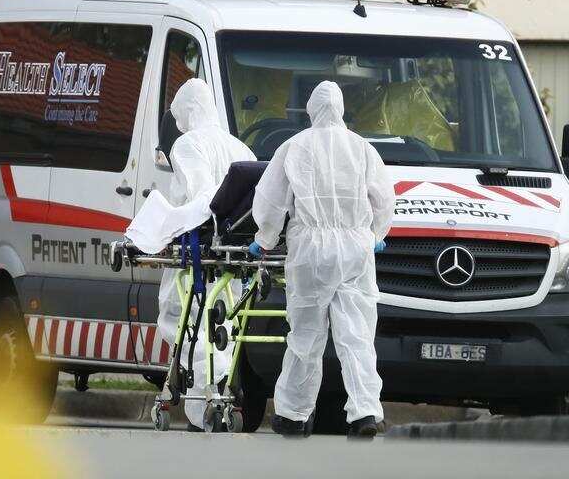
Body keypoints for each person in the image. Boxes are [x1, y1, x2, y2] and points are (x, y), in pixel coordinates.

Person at [249, 80, 395, 438]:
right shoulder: (362, 149)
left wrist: (263, 239)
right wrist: (377, 235)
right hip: (355, 251)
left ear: (311, 110)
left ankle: (293, 415)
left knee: (306, 336)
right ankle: (365, 413)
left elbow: (270, 201)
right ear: (342, 109)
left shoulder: (294, 146)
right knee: (357, 336)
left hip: (310, 251)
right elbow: (384, 198)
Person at [158, 78, 256, 431]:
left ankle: (205, 401)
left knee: (184, 317)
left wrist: (161, 227)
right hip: (235, 251)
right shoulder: (242, 148)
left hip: (200, 249)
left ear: (187, 112)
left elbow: (199, 198)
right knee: (225, 323)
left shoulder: (186, 145)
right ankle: (220, 388)